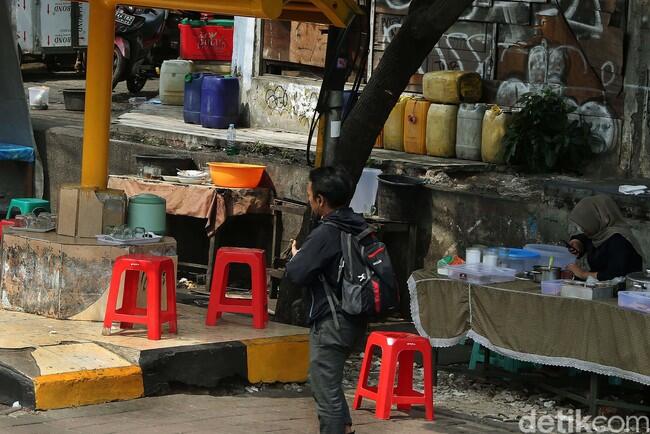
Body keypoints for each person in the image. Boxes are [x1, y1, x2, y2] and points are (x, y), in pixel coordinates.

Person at [286, 166, 368, 434]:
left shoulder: (326, 232)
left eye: (310, 197)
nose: (310, 201)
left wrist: (297, 255)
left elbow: (297, 273)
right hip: (354, 317)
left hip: (332, 320)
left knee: (325, 389)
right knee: (328, 383)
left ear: (321, 200)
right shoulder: (358, 225)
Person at [567, 195, 644, 281]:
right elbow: (585, 238)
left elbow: (615, 275)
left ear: (597, 219)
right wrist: (577, 242)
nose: (583, 229)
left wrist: (583, 274)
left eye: (585, 224)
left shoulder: (619, 240)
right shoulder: (599, 233)